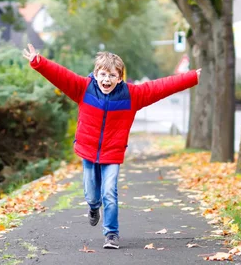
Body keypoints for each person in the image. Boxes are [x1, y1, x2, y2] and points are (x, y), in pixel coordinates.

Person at [22, 44, 200, 249]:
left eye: (112, 75)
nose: (107, 79)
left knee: (109, 192)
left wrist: (192, 76)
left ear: (120, 77)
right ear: (96, 74)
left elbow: (161, 86)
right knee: (91, 194)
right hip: (88, 151)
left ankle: (112, 234)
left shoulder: (132, 95)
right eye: (103, 74)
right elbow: (60, 75)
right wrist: (39, 62)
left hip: (112, 153)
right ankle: (93, 207)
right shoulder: (83, 88)